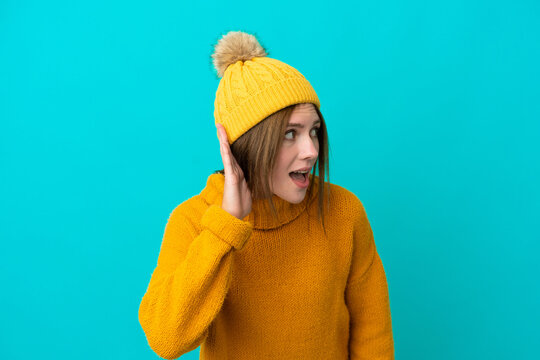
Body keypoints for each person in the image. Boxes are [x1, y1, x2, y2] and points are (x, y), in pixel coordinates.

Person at [138, 30, 395, 359]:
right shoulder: (193, 220)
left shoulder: (343, 212)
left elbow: (372, 332)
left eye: (314, 131)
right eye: (290, 133)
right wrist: (225, 227)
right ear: (245, 143)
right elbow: (166, 339)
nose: (312, 150)